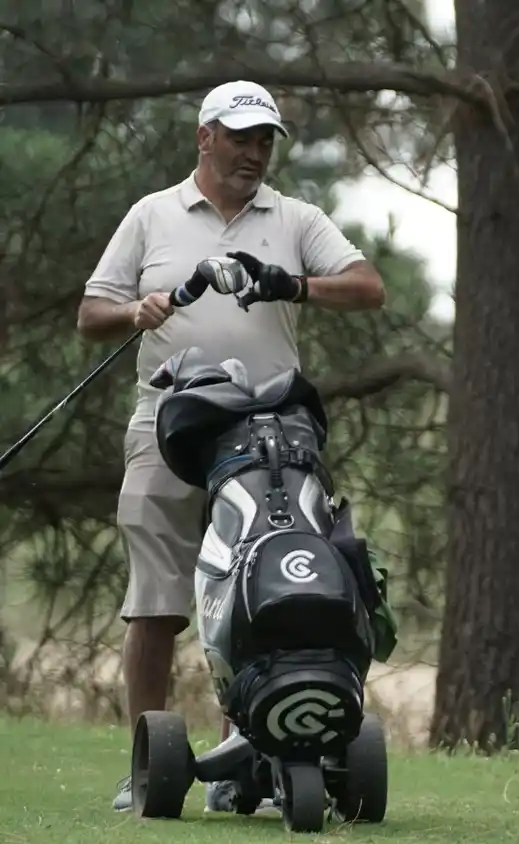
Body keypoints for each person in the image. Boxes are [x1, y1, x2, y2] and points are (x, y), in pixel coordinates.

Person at [76, 80, 387, 813]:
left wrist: (290, 283)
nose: (254, 152)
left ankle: (248, 766)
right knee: (154, 605)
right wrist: (136, 309)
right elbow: (92, 314)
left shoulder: (296, 217)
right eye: (241, 137)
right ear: (203, 137)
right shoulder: (152, 215)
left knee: (267, 587)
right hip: (168, 423)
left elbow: (367, 287)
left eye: (264, 140)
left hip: (271, 431)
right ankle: (145, 766)